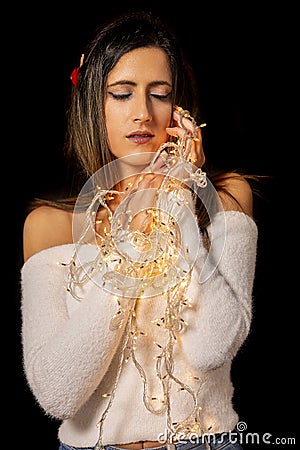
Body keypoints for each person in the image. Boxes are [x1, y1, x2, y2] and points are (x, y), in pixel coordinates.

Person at [20, 10, 259, 450]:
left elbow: (211, 347)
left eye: (160, 94)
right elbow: (59, 392)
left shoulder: (224, 199)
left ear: (179, 105)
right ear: (96, 102)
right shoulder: (49, 226)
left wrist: (176, 202)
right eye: (122, 94)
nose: (143, 113)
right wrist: (134, 236)